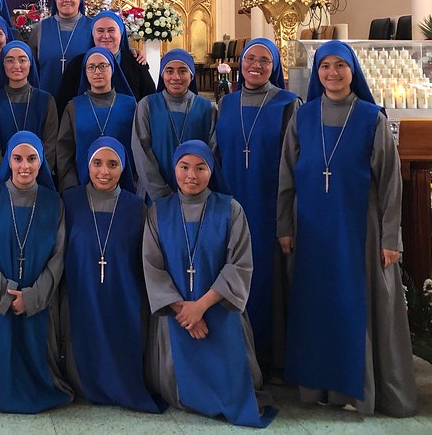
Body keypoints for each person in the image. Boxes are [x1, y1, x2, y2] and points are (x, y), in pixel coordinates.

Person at [277, 40, 417, 416]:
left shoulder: (373, 117)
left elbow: (390, 183)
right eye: (325, 66)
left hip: (359, 231)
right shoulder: (302, 117)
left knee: (353, 304)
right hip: (311, 232)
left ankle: (356, 391)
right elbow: (286, 177)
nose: (332, 73)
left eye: (341, 65)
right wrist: (285, 227)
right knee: (316, 306)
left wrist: (392, 238)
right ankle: (318, 386)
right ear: (317, 71)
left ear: (353, 70)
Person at [142, 140, 274, 427]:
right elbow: (153, 268)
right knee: (175, 387)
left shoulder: (231, 209)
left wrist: (199, 307)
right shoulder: (158, 212)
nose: (192, 175)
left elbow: (239, 264)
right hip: (176, 316)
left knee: (235, 386)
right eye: (184, 167)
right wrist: (184, 311)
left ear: (211, 170)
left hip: (219, 309)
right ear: (174, 169)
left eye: (200, 167)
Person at [0, 132, 72, 413]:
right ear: (8, 162)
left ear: (41, 162)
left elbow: (59, 257)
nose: (25, 166)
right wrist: (5, 293)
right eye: (17, 158)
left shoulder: (54, 203)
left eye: (32, 159)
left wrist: (33, 296)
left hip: (38, 299)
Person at [214, 38, 300, 373]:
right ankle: (236, 357)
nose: (256, 66)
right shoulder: (227, 103)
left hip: (270, 206)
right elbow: (217, 155)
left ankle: (272, 360)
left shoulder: (288, 104)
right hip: (232, 204)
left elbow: (294, 163)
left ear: (275, 66)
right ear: (240, 63)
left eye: (265, 61)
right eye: (250, 59)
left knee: (268, 282)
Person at [61, 137, 163, 413]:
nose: (104, 171)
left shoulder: (137, 208)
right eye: (97, 163)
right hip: (82, 292)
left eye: (112, 164)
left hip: (123, 295)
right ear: (87, 165)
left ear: (123, 168)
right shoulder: (69, 202)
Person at [132, 49, 216, 202]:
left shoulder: (207, 108)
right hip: (154, 193)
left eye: (182, 71)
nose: (175, 77)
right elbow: (140, 150)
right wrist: (161, 192)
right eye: (169, 71)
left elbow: (213, 151)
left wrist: (195, 187)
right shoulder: (147, 105)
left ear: (191, 75)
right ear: (162, 75)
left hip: (195, 192)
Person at [56, 47, 137, 193]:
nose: (97, 72)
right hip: (81, 186)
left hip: (123, 187)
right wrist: (70, 187)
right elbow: (64, 150)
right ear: (85, 72)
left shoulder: (130, 105)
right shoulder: (74, 106)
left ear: (112, 68)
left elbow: (138, 149)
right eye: (91, 67)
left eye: (103, 66)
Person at [0, 40, 58, 178]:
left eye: (22, 60)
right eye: (10, 60)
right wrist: (7, 175)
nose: (17, 65)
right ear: (3, 65)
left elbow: (50, 146)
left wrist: (32, 173)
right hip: (3, 181)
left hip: (37, 179)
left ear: (30, 63)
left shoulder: (45, 100)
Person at [56, 10, 155, 112]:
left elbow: (150, 102)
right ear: (93, 34)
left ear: (121, 33)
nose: (106, 36)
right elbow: (63, 104)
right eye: (100, 30)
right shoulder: (77, 64)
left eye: (111, 30)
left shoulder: (136, 62)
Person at [29, 0, 93, 95]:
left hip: (81, 99)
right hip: (47, 98)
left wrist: (131, 51)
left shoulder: (93, 27)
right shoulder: (40, 29)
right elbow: (31, 67)